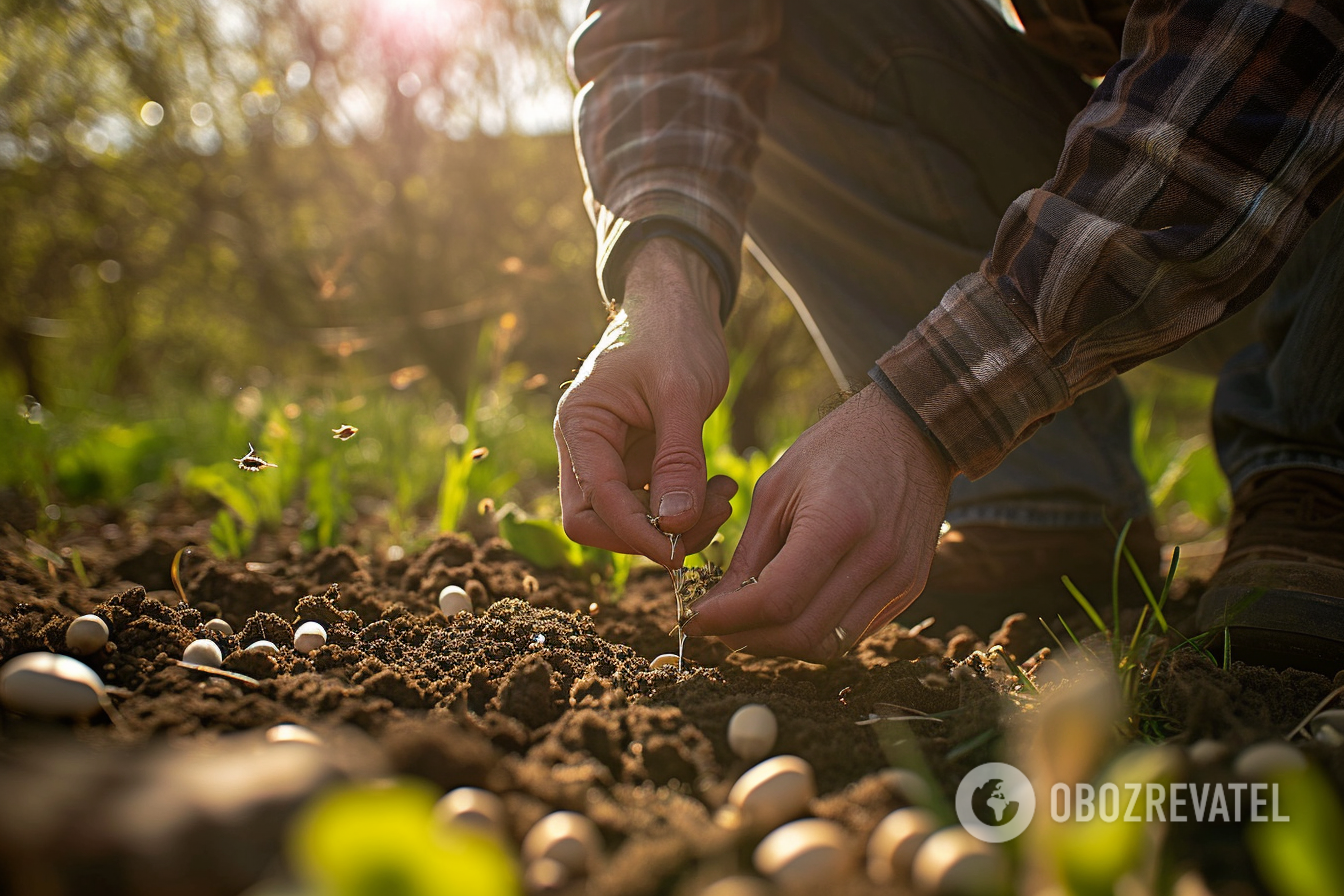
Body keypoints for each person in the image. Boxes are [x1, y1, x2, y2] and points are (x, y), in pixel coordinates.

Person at [554, 0, 1344, 673]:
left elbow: (1274, 58)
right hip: (1181, 192)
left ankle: (1320, 457)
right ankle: (1042, 495)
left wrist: (925, 416)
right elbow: (664, 29)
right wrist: (663, 283)